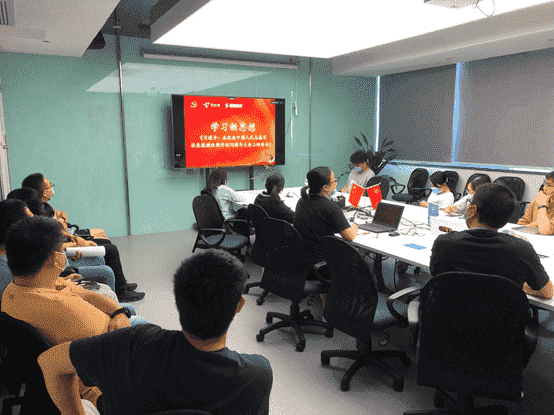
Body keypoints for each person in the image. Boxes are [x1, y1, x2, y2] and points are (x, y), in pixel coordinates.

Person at [38, 249, 273, 415]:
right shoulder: (257, 375)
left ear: (178, 299)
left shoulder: (132, 343)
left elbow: (49, 362)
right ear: (239, 305)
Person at [1, 216, 148, 411]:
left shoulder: (17, 287)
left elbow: (85, 293)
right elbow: (116, 353)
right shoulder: (63, 311)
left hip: (100, 346)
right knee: (143, 324)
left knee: (130, 313)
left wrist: (118, 311)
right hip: (107, 376)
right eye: (62, 250)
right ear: (55, 259)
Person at [21, 173, 145, 302]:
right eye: (48, 186)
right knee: (111, 250)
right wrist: (76, 241)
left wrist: (66, 229)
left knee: (106, 242)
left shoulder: (41, 209)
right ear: (39, 191)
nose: (51, 189)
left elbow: (58, 231)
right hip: (67, 250)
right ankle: (120, 291)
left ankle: (120, 282)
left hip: (67, 243)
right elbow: (55, 240)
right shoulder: (37, 213)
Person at [430, 183, 553, 299]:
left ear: (472, 210)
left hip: (451, 313)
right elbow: (547, 292)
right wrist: (520, 286)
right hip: (503, 315)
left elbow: (435, 280)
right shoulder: (522, 249)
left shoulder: (444, 243)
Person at [294, 166, 358, 280]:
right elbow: (349, 236)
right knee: (355, 256)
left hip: (300, 261)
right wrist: (355, 227)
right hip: (320, 265)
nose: (336, 183)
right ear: (325, 187)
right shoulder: (331, 207)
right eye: (334, 181)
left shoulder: (302, 201)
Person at [518, 170, 554, 235]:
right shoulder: (537, 200)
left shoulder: (541, 201)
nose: (544, 188)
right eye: (545, 184)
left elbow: (545, 231)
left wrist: (542, 206)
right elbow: (523, 222)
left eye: (549, 186)